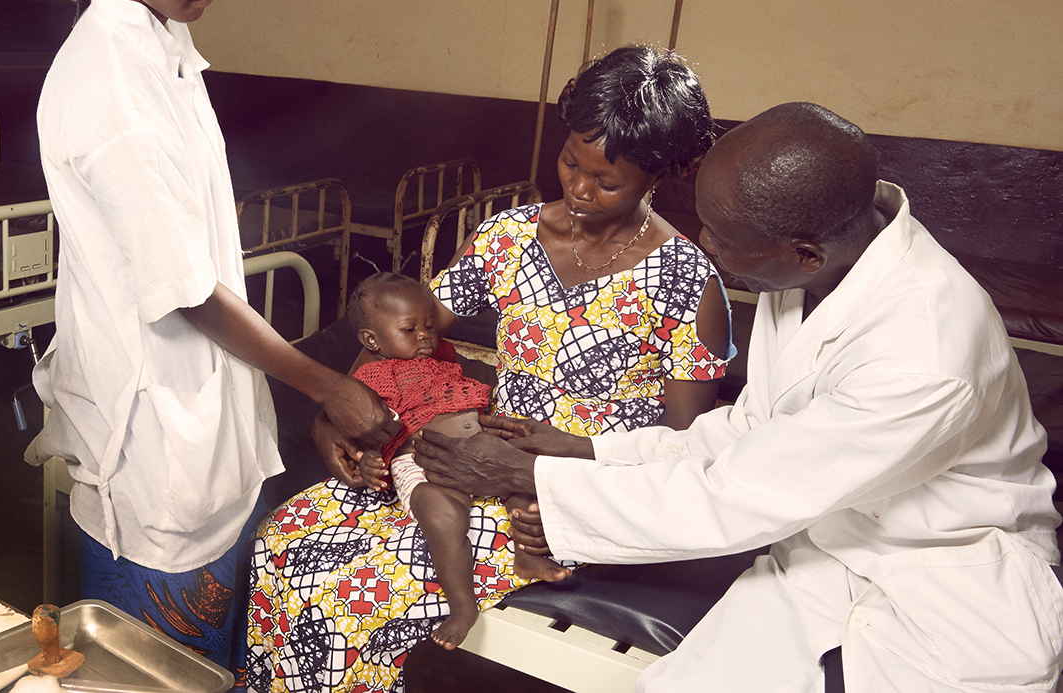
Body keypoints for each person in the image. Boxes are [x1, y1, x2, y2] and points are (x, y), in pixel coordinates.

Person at [414, 102, 1063, 693]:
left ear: (804, 251)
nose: (704, 245)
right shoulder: (810, 269)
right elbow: (751, 432)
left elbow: (743, 493)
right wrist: (587, 449)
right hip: (821, 548)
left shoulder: (925, 348)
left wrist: (537, 478)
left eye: (723, 236)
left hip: (948, 582)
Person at [0, 0, 396, 670]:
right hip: (153, 460)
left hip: (204, 435)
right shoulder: (111, 92)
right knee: (161, 670)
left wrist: (289, 409)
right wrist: (328, 386)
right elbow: (186, 289)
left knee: (210, 662)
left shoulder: (161, 46)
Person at [246, 46, 732, 693]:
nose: (579, 190)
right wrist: (339, 413)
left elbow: (686, 450)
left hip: (571, 501)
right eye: (570, 162)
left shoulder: (686, 283)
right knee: (284, 540)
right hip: (471, 460)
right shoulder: (507, 238)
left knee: (348, 596)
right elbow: (406, 332)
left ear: (657, 175)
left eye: (606, 180)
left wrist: (554, 471)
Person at [345, 272, 569, 651]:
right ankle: (463, 605)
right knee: (442, 516)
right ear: (372, 341)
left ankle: (526, 556)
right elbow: (358, 425)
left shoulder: (439, 354)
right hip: (422, 458)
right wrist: (367, 459)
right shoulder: (371, 376)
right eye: (409, 329)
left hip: (480, 446)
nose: (425, 336)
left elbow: (468, 375)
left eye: (429, 325)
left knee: (524, 482)